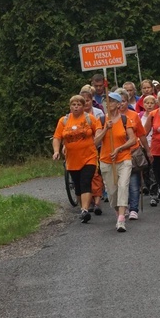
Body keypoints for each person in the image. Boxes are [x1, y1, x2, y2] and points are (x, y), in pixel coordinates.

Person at [52, 95, 101, 223]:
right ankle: (82, 209)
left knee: (86, 181)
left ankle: (85, 209)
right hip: (72, 159)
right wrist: (56, 151)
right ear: (70, 106)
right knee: (78, 186)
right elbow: (57, 137)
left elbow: (99, 133)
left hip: (89, 156)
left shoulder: (89, 119)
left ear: (83, 106)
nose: (76, 107)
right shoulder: (64, 121)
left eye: (79, 105)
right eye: (73, 105)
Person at [94, 91, 137, 232]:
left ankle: (121, 220)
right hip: (106, 160)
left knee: (123, 186)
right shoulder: (100, 120)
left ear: (118, 104)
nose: (109, 103)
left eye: (112, 101)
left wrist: (119, 148)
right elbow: (95, 142)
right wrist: (106, 129)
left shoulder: (125, 120)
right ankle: (119, 211)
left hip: (123, 158)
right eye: (107, 101)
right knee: (112, 192)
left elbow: (132, 139)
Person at [117, 88, 151, 221]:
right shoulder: (110, 117)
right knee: (120, 183)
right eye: (118, 102)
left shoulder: (133, 115)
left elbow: (141, 134)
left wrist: (148, 151)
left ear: (127, 102)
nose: (121, 104)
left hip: (133, 152)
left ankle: (134, 209)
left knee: (133, 182)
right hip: (117, 155)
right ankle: (123, 207)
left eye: (124, 101)